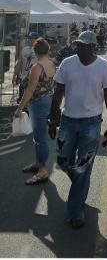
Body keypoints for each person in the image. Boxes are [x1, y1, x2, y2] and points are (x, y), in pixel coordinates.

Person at [47, 30, 107, 229]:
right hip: (68, 121)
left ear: (93, 47)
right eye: (78, 44)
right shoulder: (67, 63)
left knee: (83, 167)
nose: (79, 48)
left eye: (84, 45)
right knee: (62, 161)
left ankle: (75, 212)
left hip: (91, 124)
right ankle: (80, 183)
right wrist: (53, 120)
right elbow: (58, 92)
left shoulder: (104, 66)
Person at [14, 38, 55, 185]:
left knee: (40, 138)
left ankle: (43, 169)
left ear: (35, 51)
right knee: (38, 137)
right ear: (47, 50)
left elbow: (30, 90)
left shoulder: (37, 67)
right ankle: (39, 163)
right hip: (47, 101)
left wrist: (19, 108)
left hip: (38, 104)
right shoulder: (51, 63)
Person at [12, 31, 39, 103]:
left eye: (31, 38)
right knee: (22, 100)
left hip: (35, 79)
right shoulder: (24, 49)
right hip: (23, 78)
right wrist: (14, 75)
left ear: (36, 40)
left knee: (32, 101)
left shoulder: (40, 50)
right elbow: (19, 63)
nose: (28, 40)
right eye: (28, 38)